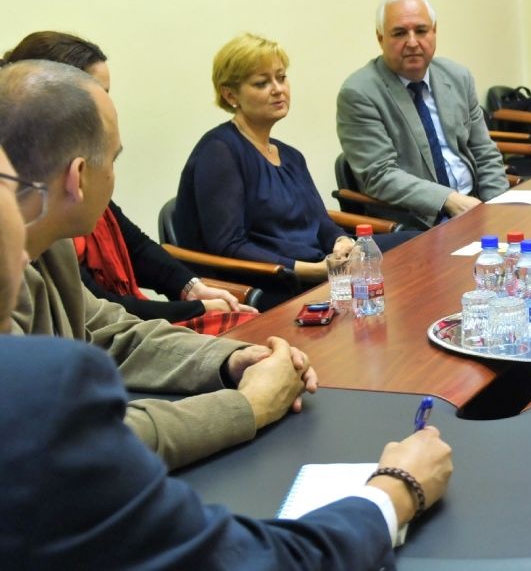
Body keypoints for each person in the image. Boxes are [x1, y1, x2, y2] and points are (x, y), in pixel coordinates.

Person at [0, 142, 454, 568]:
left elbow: (112, 331)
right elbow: (253, 559)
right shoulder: (33, 394)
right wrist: (396, 491)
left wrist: (232, 359)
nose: (24, 244)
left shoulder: (51, 251)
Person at [0, 59, 315, 470]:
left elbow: (113, 335)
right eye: (113, 159)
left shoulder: (49, 241)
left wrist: (233, 360)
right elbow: (70, 441)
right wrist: (248, 406)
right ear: (79, 177)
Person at [3, 30, 258, 331]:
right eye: (96, 95)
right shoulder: (46, 235)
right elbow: (100, 330)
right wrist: (196, 309)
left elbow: (132, 251)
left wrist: (192, 288)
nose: (108, 108)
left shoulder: (57, 213)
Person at [175, 34, 415, 308]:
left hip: (319, 262)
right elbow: (229, 246)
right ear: (230, 95)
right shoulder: (219, 152)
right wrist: (309, 270)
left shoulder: (290, 155)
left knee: (416, 243)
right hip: (270, 282)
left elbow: (319, 220)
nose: (278, 89)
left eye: (281, 77)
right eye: (262, 83)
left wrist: (340, 241)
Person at [337, 0, 509, 229]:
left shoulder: (457, 77)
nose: (412, 42)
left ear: (434, 31)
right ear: (380, 38)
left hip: (475, 208)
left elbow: (484, 151)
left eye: (421, 30)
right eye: (399, 33)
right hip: (416, 222)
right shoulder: (359, 93)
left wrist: (499, 208)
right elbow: (380, 176)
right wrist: (449, 200)